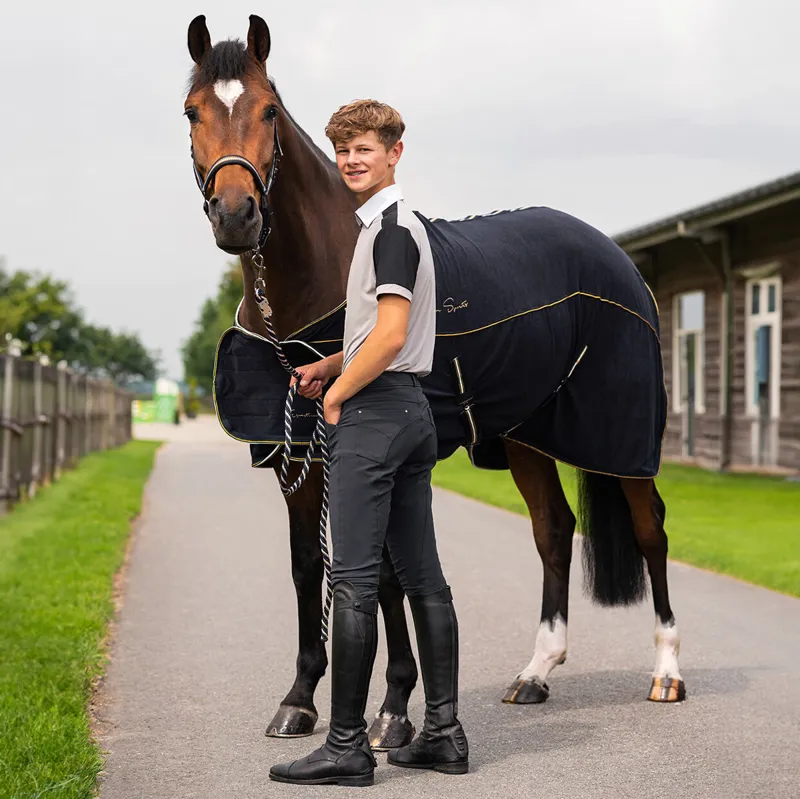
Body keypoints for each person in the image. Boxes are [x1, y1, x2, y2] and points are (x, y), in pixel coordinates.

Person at [269, 100, 468, 787]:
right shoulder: (397, 229)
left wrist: (336, 393)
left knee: (353, 582)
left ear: (395, 153)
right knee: (423, 578)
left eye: (365, 148)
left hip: (377, 417)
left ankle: (348, 746)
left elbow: (390, 335)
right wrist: (331, 364)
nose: (353, 160)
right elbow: (384, 339)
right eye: (343, 150)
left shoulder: (387, 231)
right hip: (412, 412)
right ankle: (443, 732)